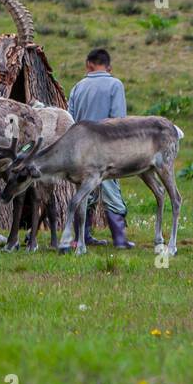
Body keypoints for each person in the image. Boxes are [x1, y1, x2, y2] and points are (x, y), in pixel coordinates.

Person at [67, 47, 134, 249]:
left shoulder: (78, 87)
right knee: (111, 191)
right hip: (105, 149)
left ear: (89, 64)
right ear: (108, 65)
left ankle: (82, 237)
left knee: (86, 194)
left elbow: (70, 119)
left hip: (81, 149)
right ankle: (120, 239)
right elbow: (118, 120)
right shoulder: (115, 85)